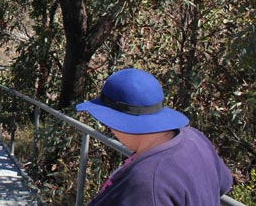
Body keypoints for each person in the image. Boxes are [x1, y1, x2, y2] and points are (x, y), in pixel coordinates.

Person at [76, 68, 232, 206]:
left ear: (122, 122)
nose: (109, 128)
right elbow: (224, 183)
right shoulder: (194, 138)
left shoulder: (146, 185)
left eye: (108, 121)